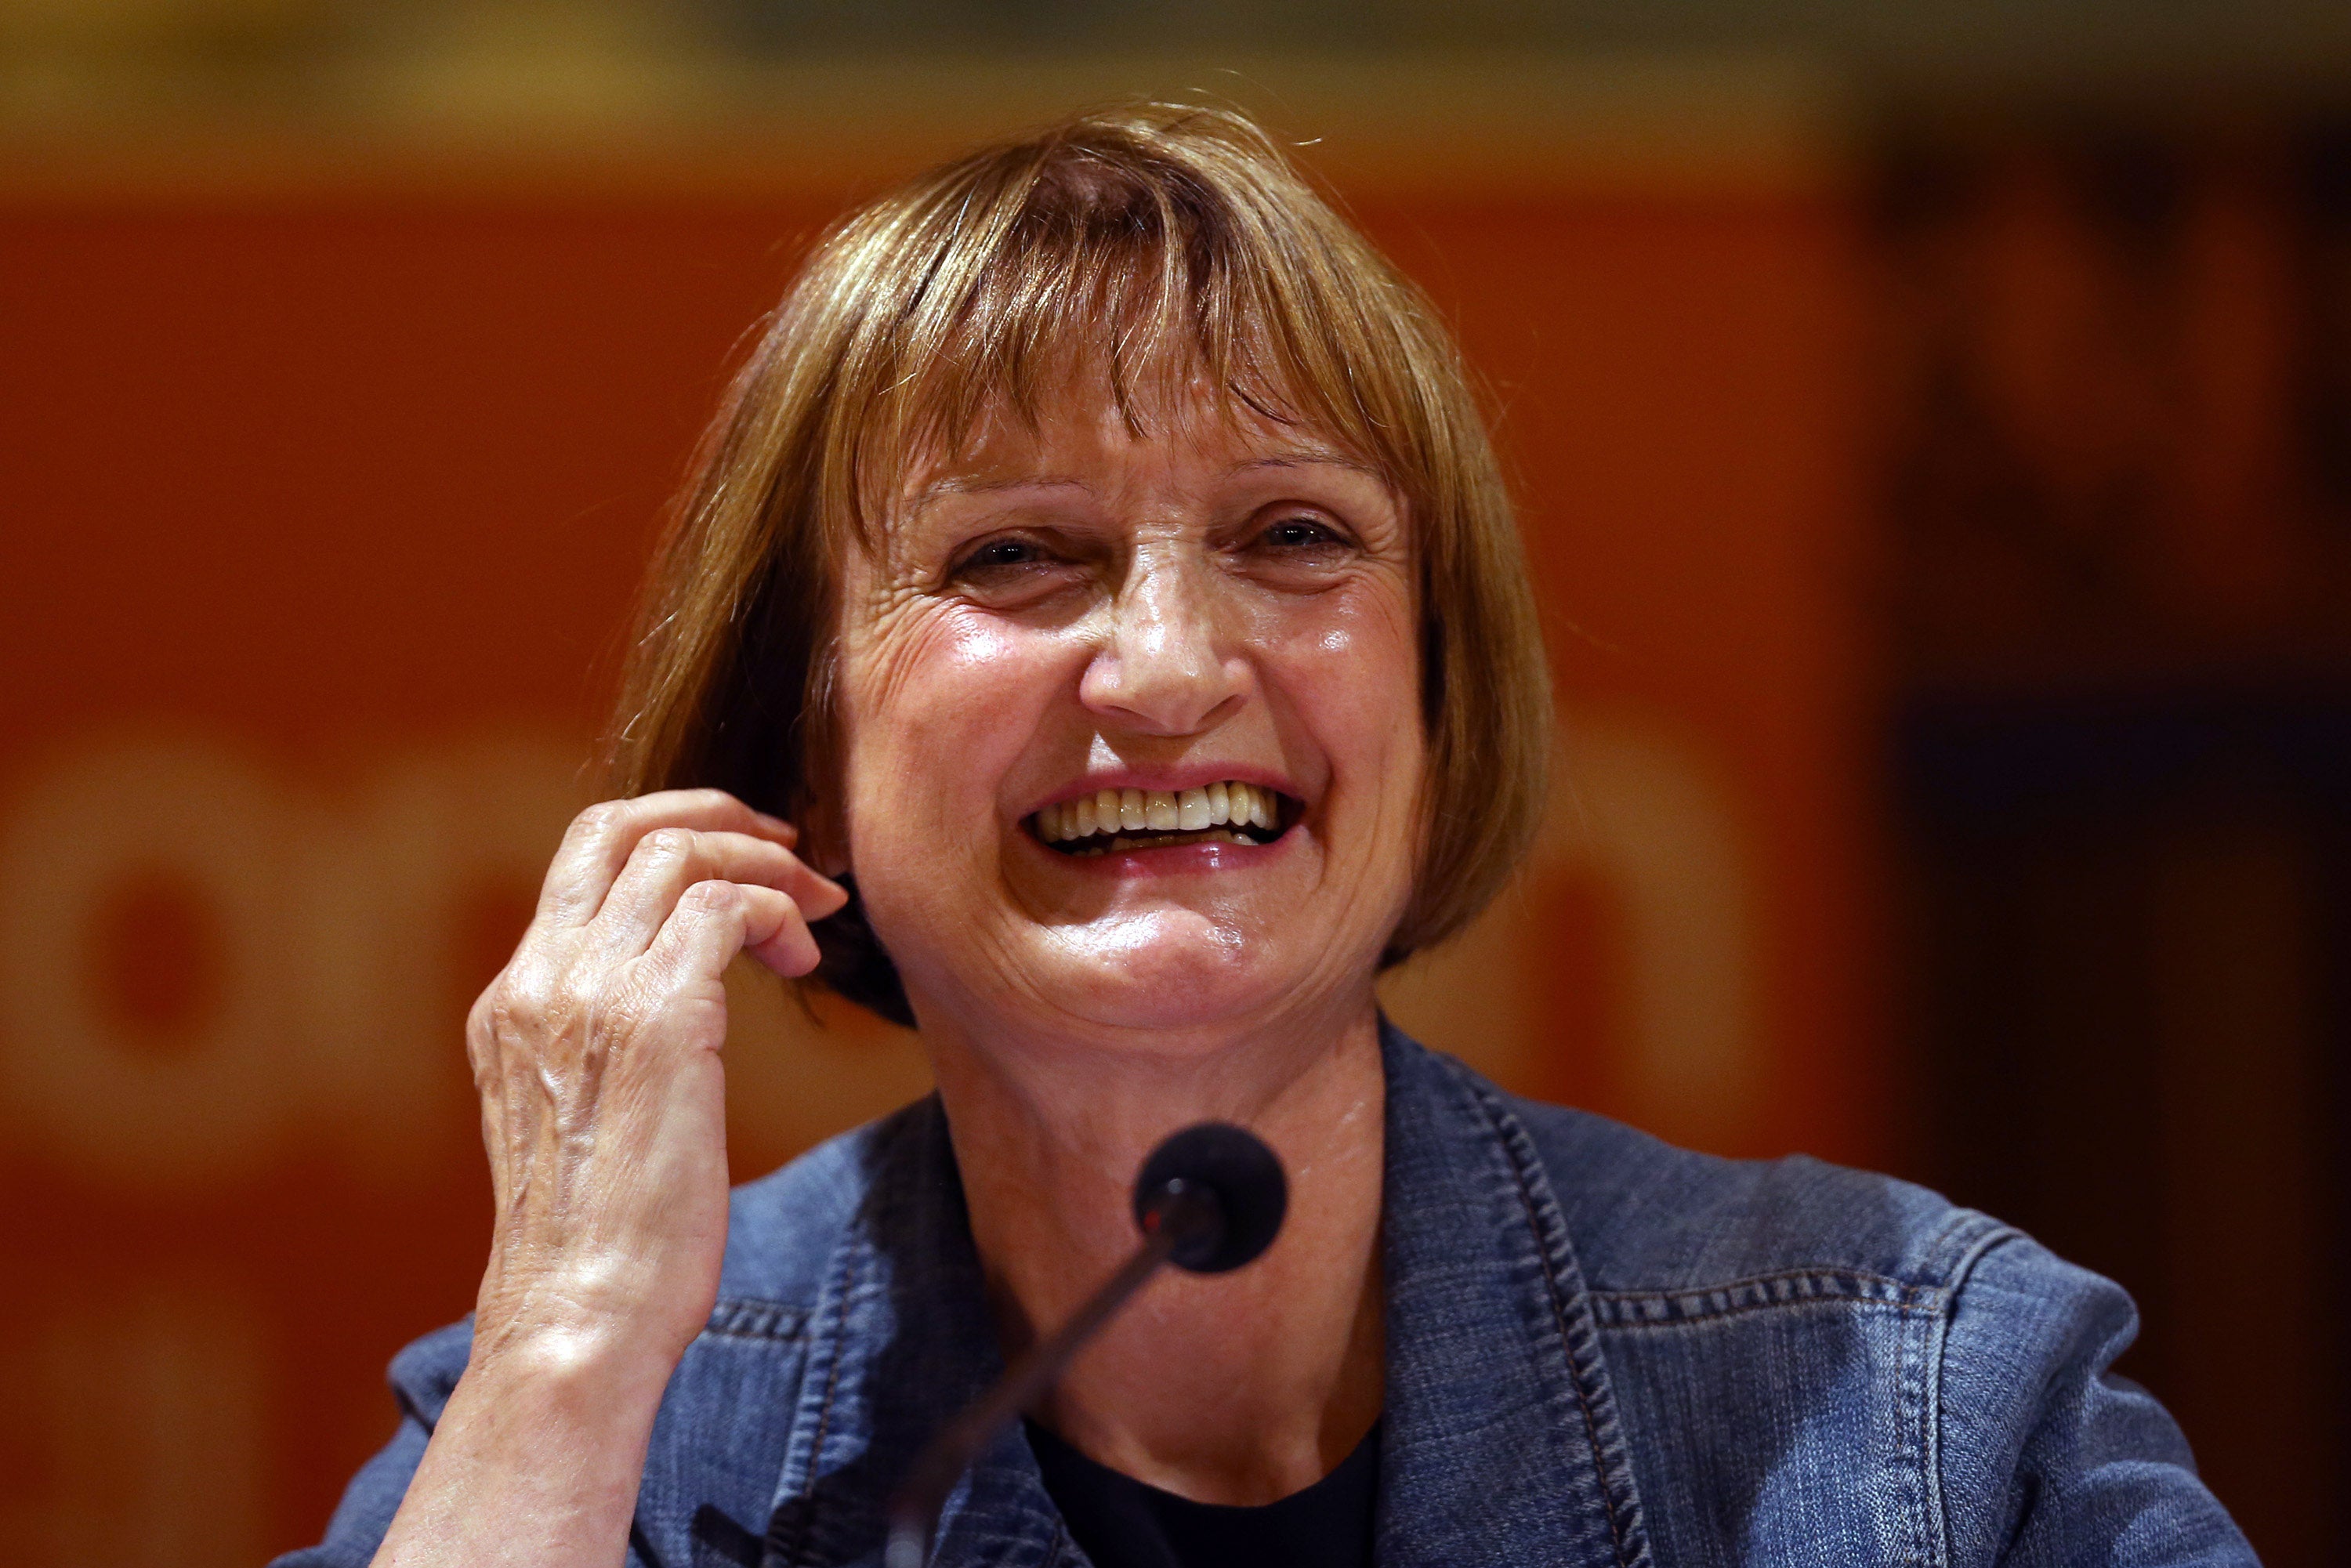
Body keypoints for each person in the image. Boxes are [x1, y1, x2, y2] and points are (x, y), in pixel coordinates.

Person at [277, 104, 2255, 1568]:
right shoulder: (590, 1432)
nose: (1161, 665)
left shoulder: (1931, 1401)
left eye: (1292, 536)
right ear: (792, 751)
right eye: (1013, 553)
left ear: (1432, 692)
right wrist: (566, 1344)